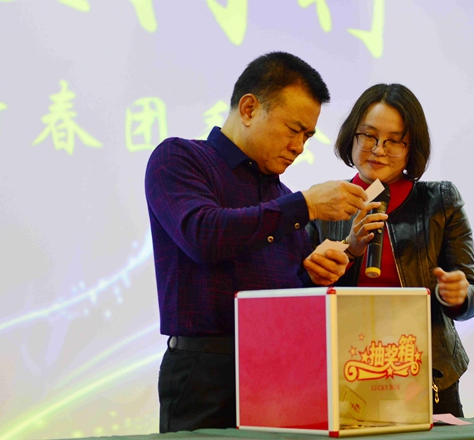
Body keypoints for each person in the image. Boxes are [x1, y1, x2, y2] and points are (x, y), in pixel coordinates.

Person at [144, 52, 368, 433]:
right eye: (293, 129)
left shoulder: (284, 198)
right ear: (249, 109)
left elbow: (289, 300)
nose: (299, 146)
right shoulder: (179, 159)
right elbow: (203, 235)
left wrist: (314, 275)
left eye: (307, 136)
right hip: (206, 374)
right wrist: (306, 205)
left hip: (282, 374)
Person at [307, 83, 474, 417]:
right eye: (369, 136)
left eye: (394, 141)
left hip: (425, 372)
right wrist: (351, 251)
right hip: (348, 374)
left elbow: (472, 297)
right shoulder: (323, 203)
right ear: (352, 136)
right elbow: (304, 298)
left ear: (411, 146)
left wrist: (457, 295)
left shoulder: (439, 201)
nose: (378, 150)